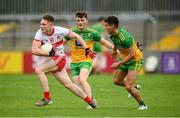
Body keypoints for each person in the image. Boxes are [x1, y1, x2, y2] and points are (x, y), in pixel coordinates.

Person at [32, 15, 96, 108]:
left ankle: (47, 98)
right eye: (40, 24)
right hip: (52, 57)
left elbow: (77, 36)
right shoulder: (39, 33)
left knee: (39, 70)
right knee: (68, 84)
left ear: (51, 24)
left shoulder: (60, 30)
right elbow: (34, 50)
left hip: (60, 57)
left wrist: (87, 49)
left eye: (44, 24)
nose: (41, 26)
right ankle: (90, 101)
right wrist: (48, 54)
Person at [64, 12, 114, 109]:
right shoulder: (71, 31)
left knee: (82, 79)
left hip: (86, 61)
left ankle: (90, 103)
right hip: (74, 63)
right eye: (78, 20)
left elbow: (104, 42)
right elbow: (62, 42)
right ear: (76, 21)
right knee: (76, 83)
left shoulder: (92, 33)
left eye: (82, 20)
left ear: (86, 21)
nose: (80, 22)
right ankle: (92, 100)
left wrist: (114, 48)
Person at [104, 16, 148, 110]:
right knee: (117, 81)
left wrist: (118, 64)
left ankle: (143, 105)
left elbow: (132, 55)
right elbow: (116, 42)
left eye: (107, 26)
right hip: (124, 58)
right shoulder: (112, 33)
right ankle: (135, 87)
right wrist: (115, 51)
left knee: (128, 87)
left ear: (114, 25)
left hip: (135, 60)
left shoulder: (124, 37)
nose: (105, 27)